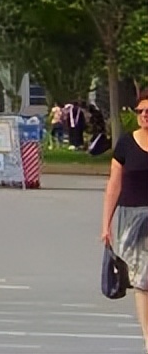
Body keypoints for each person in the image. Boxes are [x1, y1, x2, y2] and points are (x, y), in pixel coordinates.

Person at [101, 89, 148, 351]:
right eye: (140, 112)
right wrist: (105, 225)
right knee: (142, 280)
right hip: (132, 219)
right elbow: (114, 185)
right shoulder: (126, 144)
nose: (143, 116)